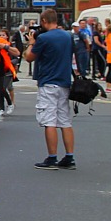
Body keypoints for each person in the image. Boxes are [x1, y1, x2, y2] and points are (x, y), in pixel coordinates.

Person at [23, 9, 77, 171]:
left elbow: (29, 57)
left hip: (48, 82)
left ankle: (52, 157)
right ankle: (69, 157)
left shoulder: (44, 38)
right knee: (65, 121)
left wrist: (32, 41)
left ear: (45, 21)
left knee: (49, 121)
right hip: (64, 82)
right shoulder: (68, 36)